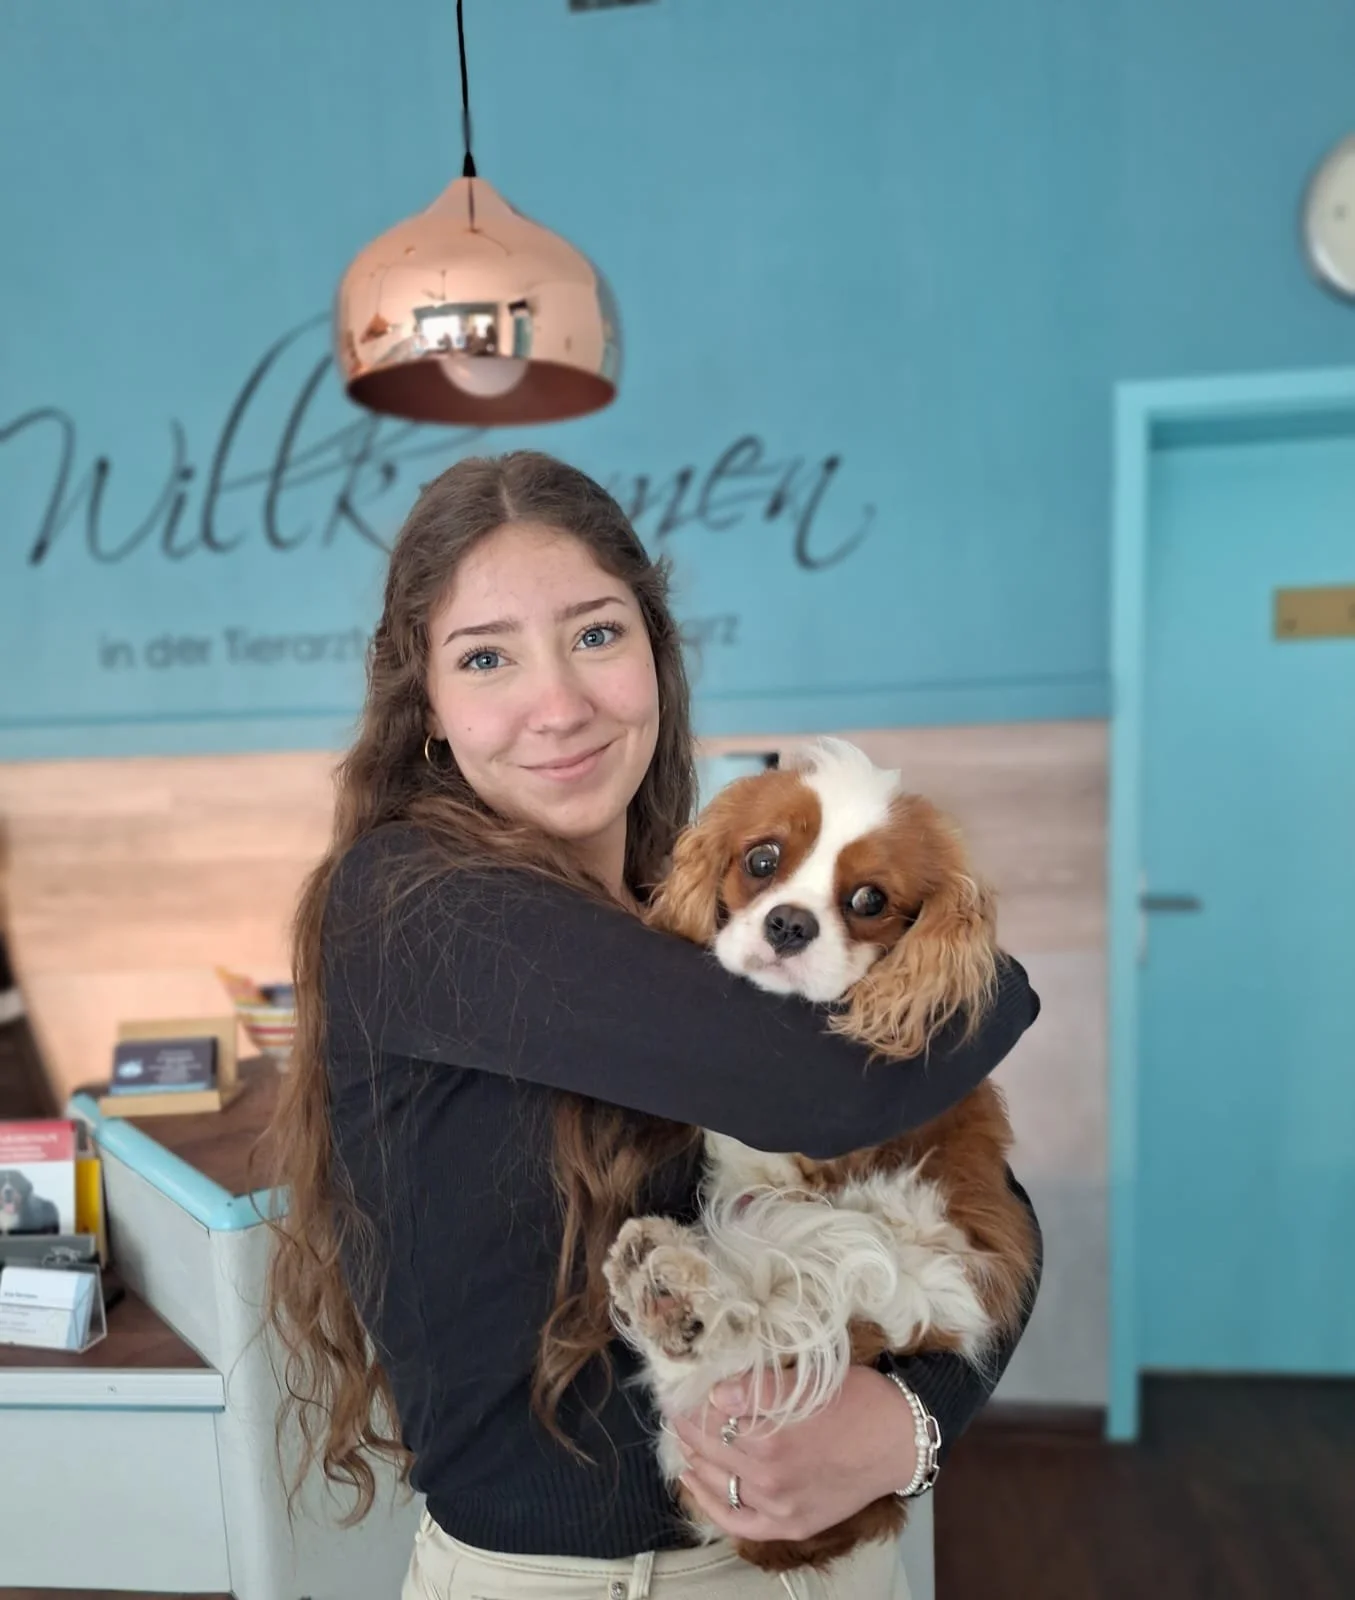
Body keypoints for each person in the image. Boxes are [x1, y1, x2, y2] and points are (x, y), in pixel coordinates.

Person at [263, 451, 1042, 1600]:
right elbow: (828, 1095)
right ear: (425, 704)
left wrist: (911, 1422)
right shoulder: (409, 902)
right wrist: (990, 970)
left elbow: (980, 1197)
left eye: (593, 634)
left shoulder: (691, 918)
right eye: (487, 657)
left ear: (655, 654)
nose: (559, 704)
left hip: (835, 1561)